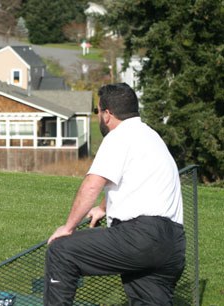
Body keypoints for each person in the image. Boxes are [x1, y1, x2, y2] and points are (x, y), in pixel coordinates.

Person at [44, 83, 185, 305]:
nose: (98, 116)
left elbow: (92, 184)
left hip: (141, 236)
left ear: (107, 114)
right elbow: (134, 183)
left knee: (61, 251)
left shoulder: (119, 137)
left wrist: (68, 227)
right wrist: (102, 209)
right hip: (173, 243)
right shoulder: (152, 137)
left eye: (98, 111)